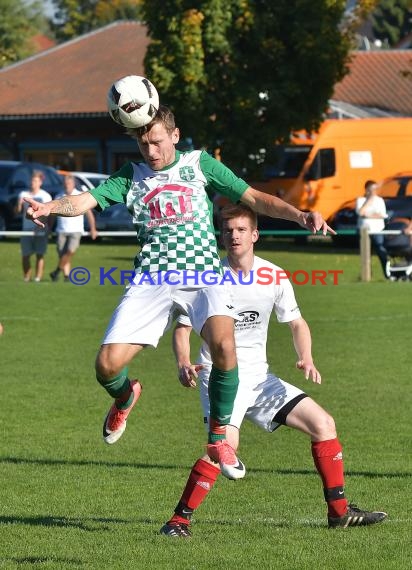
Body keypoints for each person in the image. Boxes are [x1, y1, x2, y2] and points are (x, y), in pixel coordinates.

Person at [24, 104, 334, 479]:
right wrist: (51, 206)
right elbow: (83, 201)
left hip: (202, 274)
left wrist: (300, 215)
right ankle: (125, 396)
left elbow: (253, 198)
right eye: (143, 145)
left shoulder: (200, 164)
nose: (151, 152)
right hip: (151, 281)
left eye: (156, 142)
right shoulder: (131, 175)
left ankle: (219, 437)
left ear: (174, 135)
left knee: (224, 346)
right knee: (106, 366)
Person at [160, 203, 387, 537]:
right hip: (220, 377)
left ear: (254, 235)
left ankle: (339, 512)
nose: (233, 236)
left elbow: (296, 323)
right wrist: (183, 363)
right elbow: (181, 329)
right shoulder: (206, 279)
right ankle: (178, 521)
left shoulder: (273, 275)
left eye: (240, 230)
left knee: (323, 423)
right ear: (221, 236)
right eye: (227, 230)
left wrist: (306, 357)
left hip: (261, 377)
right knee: (226, 446)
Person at [50, 174, 98, 282]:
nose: (67, 185)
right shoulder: (59, 196)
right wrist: (49, 227)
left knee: (70, 252)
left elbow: (89, 214)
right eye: (65, 183)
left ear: (73, 184)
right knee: (63, 254)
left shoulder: (79, 196)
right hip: (61, 230)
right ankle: (66, 276)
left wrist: (93, 228)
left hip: (76, 230)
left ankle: (57, 271)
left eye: (69, 183)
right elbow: (53, 214)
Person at [15, 170, 53, 282]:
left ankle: (37, 278)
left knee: (39, 254)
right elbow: (17, 211)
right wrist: (17, 206)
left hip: (40, 230)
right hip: (26, 230)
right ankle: (26, 278)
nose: (33, 182)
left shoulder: (45, 196)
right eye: (32, 180)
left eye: (35, 180)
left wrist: (46, 227)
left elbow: (49, 215)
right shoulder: (23, 194)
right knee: (25, 255)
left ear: (40, 182)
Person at [356, 180, 389, 278]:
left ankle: (387, 274)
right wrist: (369, 201)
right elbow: (361, 213)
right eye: (372, 189)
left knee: (381, 250)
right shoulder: (361, 200)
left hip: (377, 230)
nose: (375, 191)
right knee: (366, 254)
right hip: (364, 230)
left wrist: (368, 215)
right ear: (367, 189)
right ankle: (367, 275)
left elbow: (383, 215)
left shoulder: (380, 200)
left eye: (375, 189)